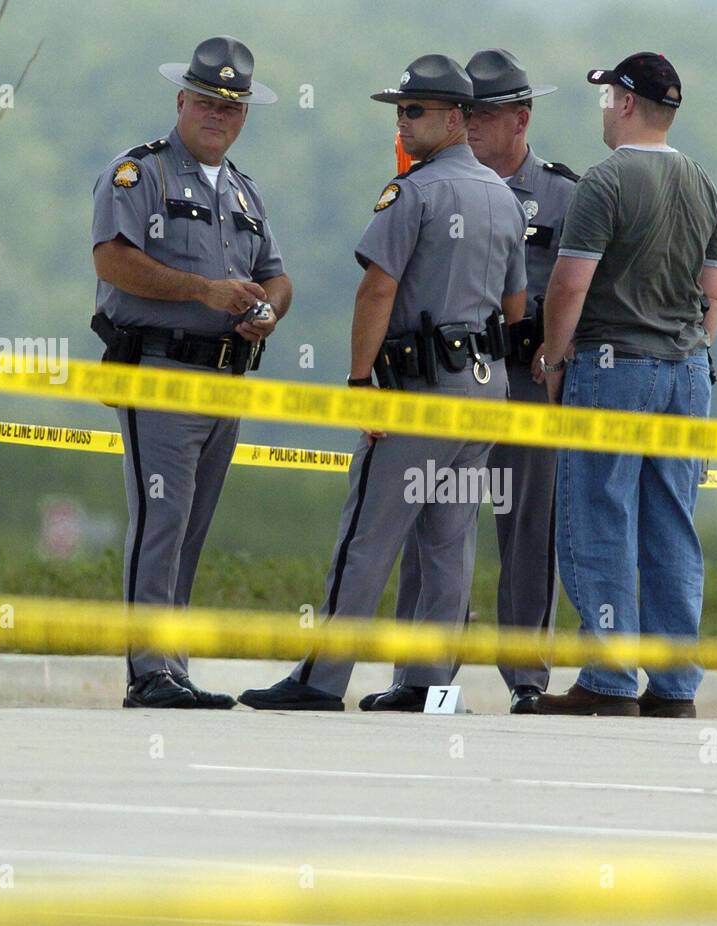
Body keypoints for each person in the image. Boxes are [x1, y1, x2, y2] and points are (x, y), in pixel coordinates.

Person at [240, 54, 527, 713]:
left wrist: (360, 379)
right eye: (400, 110)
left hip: (418, 390)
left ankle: (321, 678)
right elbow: (516, 308)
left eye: (415, 110)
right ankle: (430, 686)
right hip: (484, 392)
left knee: (370, 534)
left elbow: (378, 287)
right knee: (451, 542)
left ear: (455, 118)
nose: (403, 120)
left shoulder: (415, 192)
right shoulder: (502, 197)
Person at [91, 36, 292, 709]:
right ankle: (148, 670)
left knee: (192, 527)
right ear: (182, 100)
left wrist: (267, 311)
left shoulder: (244, 191)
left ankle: (173, 666)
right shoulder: (138, 173)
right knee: (161, 518)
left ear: (244, 117)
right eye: (207, 101)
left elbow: (277, 276)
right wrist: (200, 291)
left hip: (227, 377)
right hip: (161, 370)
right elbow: (113, 261)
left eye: (231, 107)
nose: (218, 115)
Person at [531, 52, 717, 718]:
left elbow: (569, 284)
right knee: (673, 526)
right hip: (686, 370)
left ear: (622, 102)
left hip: (613, 365)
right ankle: (675, 688)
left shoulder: (606, 182)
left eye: (605, 98)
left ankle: (610, 679)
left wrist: (553, 358)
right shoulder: (705, 185)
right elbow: (712, 298)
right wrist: (691, 358)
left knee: (599, 516)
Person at [383, 48, 579, 716]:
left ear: (520, 120)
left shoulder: (562, 195)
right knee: (437, 526)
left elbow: (582, 290)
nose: (469, 126)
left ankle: (527, 678)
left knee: (528, 531)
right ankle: (429, 672)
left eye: (484, 117)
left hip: (525, 381)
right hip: (450, 379)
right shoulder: (431, 182)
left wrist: (560, 356)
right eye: (465, 114)